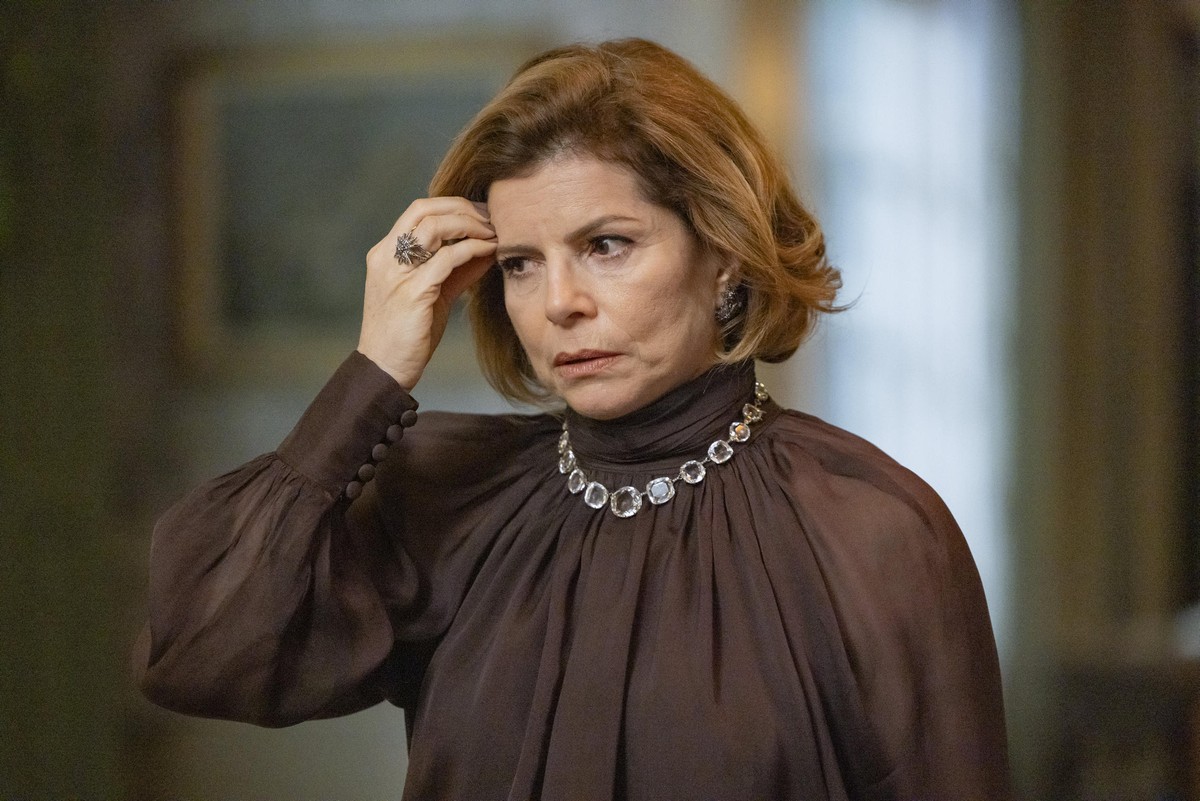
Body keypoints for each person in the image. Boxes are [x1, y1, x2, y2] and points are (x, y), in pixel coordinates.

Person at [136, 38, 1011, 800]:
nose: (559, 302)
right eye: (521, 262)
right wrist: (372, 374)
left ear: (724, 256)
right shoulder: (455, 500)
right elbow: (200, 648)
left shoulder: (870, 528)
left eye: (606, 245)